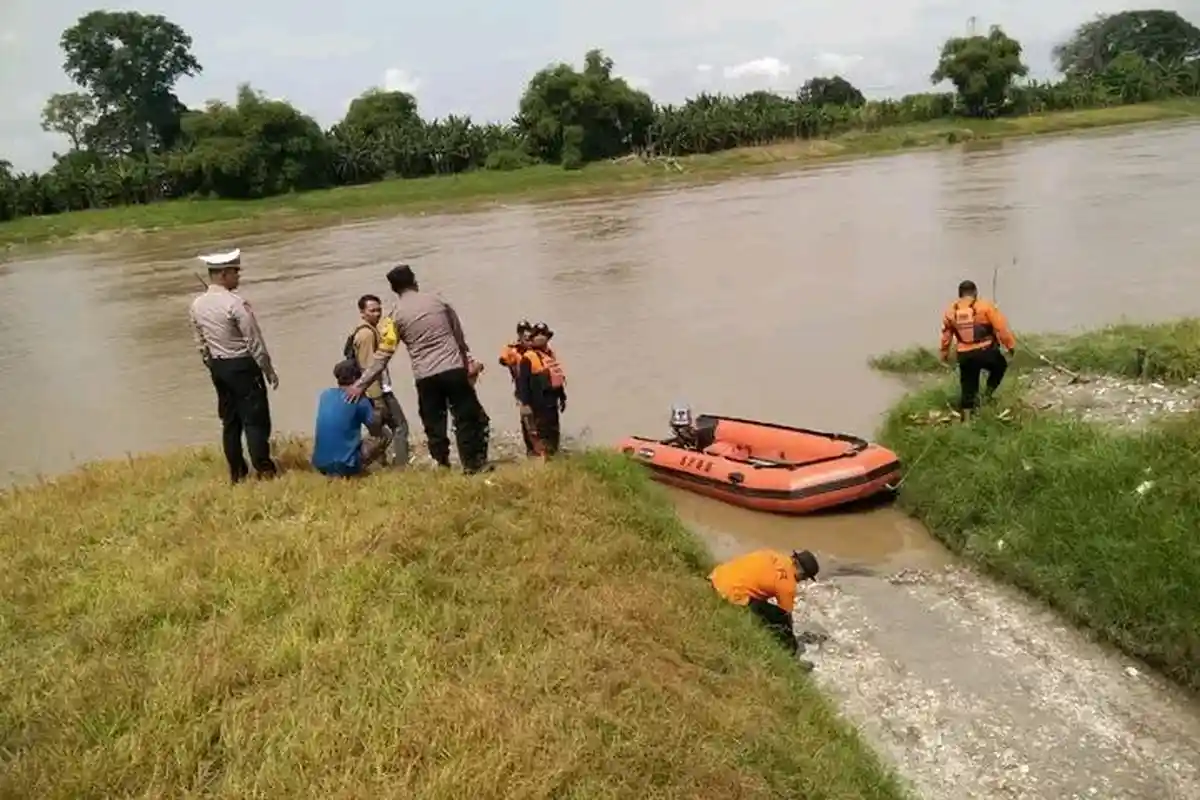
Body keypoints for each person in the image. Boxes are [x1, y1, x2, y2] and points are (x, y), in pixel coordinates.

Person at [345, 264, 491, 473]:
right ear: (414, 281)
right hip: (452, 369)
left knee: (434, 422)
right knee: (465, 416)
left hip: (425, 377)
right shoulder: (439, 301)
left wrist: (360, 384)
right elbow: (458, 335)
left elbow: (383, 355)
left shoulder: (394, 317)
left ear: (394, 290)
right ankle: (472, 465)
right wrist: (467, 360)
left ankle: (442, 464)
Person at [188, 247, 279, 484]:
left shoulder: (197, 304)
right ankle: (265, 470)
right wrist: (268, 370)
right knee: (255, 420)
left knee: (230, 422)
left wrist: (212, 364)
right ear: (224, 274)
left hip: (219, 367)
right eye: (235, 272)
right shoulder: (236, 303)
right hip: (242, 366)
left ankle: (237, 473)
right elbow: (254, 340)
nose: (238, 277)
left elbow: (200, 341)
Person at [709, 549, 821, 667]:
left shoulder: (771, 554)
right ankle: (790, 661)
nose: (803, 581)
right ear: (802, 573)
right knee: (781, 623)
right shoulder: (788, 584)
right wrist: (791, 641)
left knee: (762, 606)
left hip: (718, 576)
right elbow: (786, 616)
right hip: (731, 594)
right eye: (805, 578)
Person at [345, 293, 411, 467]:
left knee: (378, 431)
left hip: (368, 391)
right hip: (377, 391)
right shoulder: (366, 335)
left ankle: (380, 463)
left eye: (379, 309)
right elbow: (369, 367)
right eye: (372, 310)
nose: (377, 313)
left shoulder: (362, 331)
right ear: (362, 313)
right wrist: (377, 399)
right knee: (400, 427)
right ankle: (401, 467)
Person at [939, 279, 1017, 420]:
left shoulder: (951, 310)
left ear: (960, 294)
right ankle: (987, 395)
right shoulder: (985, 306)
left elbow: (946, 335)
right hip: (986, 351)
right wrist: (1010, 346)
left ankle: (967, 419)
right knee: (1000, 366)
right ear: (975, 292)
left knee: (968, 384)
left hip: (964, 354)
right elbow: (1001, 328)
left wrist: (944, 354)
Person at [312, 360, 387, 477]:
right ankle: (357, 471)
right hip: (345, 465)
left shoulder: (325, 395)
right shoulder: (359, 399)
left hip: (320, 463)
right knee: (384, 435)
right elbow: (375, 428)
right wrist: (378, 407)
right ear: (355, 378)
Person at [516, 321, 567, 457]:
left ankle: (553, 457)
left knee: (553, 432)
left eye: (543, 334)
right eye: (537, 334)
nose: (541, 337)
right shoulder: (527, 358)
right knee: (539, 434)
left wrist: (562, 397)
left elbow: (557, 378)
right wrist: (525, 404)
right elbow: (523, 383)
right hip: (537, 404)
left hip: (551, 403)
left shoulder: (550, 355)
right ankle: (539, 459)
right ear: (532, 338)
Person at [500, 320, 537, 456]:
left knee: (539, 418)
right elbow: (503, 359)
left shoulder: (535, 349)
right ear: (519, 335)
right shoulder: (512, 350)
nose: (525, 336)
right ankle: (531, 450)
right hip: (522, 390)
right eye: (522, 333)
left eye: (527, 332)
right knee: (526, 419)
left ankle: (542, 447)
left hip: (537, 388)